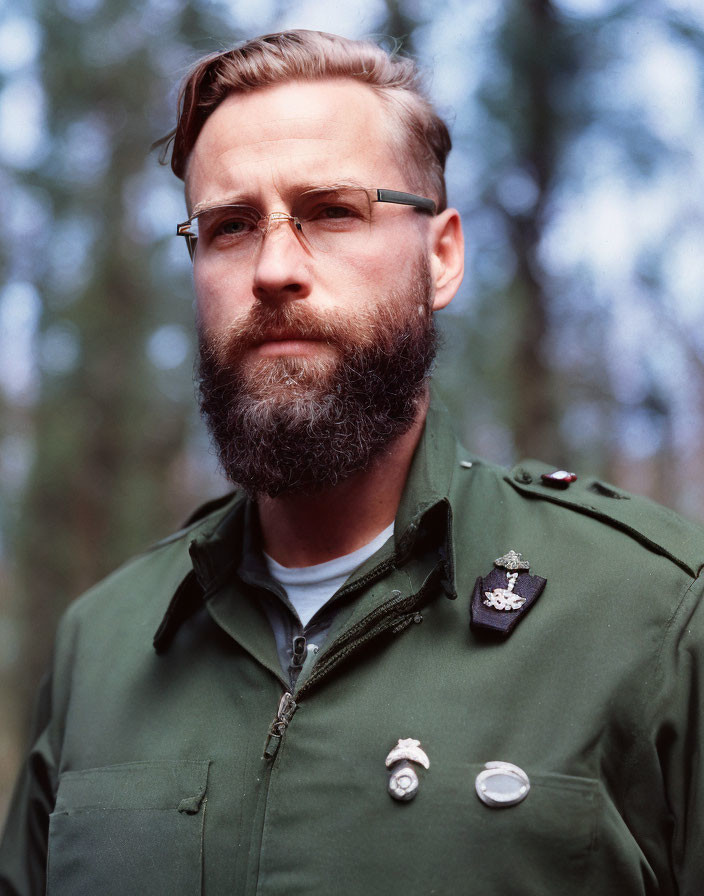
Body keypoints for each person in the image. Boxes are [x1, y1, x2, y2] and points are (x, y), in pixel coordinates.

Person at [1, 29, 703, 896]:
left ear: (440, 256)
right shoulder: (102, 646)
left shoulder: (655, 619)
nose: (274, 268)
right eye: (229, 227)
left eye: (332, 211)